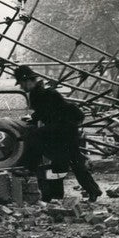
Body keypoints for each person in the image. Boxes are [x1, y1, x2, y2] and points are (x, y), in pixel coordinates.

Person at [14, 64, 102, 202]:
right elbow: (45, 111)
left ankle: (30, 167)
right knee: (73, 160)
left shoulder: (41, 93)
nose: (21, 87)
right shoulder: (40, 92)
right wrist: (34, 118)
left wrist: (35, 121)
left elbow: (50, 112)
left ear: (28, 81)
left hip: (64, 129)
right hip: (64, 129)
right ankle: (93, 190)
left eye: (21, 84)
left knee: (33, 136)